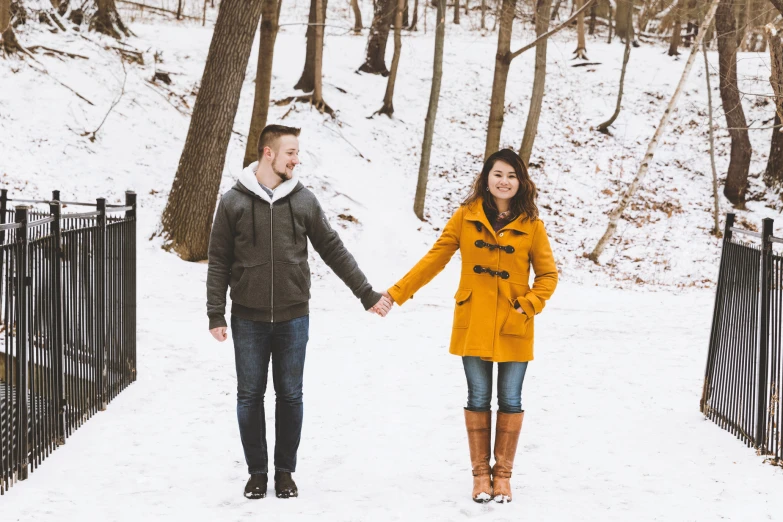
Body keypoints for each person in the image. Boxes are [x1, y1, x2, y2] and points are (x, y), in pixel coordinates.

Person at [206, 124, 392, 500]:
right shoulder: (233, 202)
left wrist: (366, 293)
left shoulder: (304, 200)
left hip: (293, 317)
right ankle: (257, 473)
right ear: (268, 153)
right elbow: (219, 260)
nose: (297, 158)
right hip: (248, 318)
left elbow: (333, 249)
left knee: (290, 396)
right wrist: (216, 312)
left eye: (297, 152)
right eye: (291, 152)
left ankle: (285, 472)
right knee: (249, 397)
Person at [383, 149, 558, 503]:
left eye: (511, 175)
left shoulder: (532, 225)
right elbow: (435, 258)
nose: (504, 181)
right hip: (474, 320)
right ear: (486, 177)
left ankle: (503, 477)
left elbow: (548, 276)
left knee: (510, 398)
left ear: (520, 182)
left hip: (514, 323)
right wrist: (396, 293)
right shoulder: (466, 217)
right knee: (477, 396)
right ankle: (481, 476)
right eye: (498, 174)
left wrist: (527, 306)